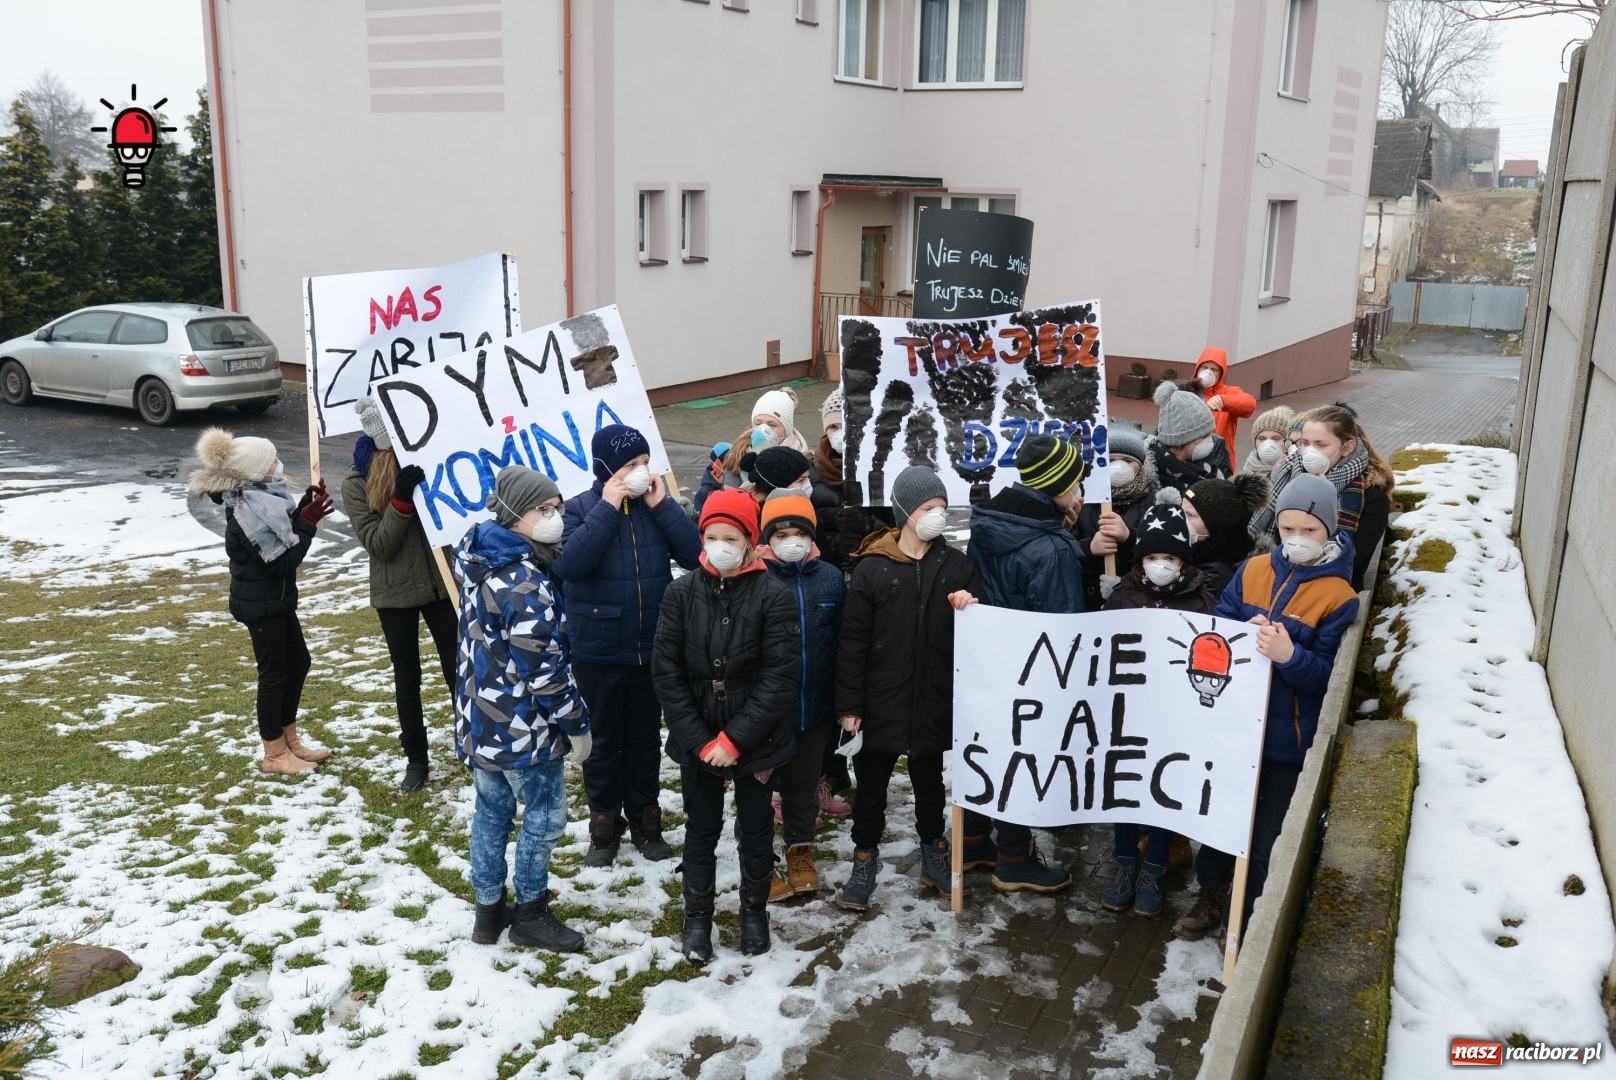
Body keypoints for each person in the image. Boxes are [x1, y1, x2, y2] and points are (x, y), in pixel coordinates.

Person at [1176, 474, 1359, 944]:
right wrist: (1242, 628)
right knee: (1219, 823)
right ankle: (1212, 895)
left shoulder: (1340, 598)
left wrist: (1289, 656)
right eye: (1288, 529)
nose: (1296, 540)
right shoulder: (1254, 569)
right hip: (1237, 729)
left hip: (1286, 743)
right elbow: (1221, 622)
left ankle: (1249, 917)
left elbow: (1326, 678)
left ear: (1331, 530)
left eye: (1309, 531)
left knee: (1265, 842)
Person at [653, 489, 800, 962]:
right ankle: (697, 916)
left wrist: (736, 739)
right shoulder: (681, 593)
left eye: (730, 537)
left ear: (749, 541)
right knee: (701, 828)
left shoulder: (773, 595)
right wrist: (699, 741)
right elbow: (667, 673)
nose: (720, 545)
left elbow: (780, 678)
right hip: (698, 738)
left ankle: (754, 911)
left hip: (755, 741)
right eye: (711, 536)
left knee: (755, 828)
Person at [453, 466, 591, 952]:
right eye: (543, 510)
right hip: (520, 726)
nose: (555, 517)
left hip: (482, 719)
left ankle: (488, 912)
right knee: (545, 816)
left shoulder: (480, 558)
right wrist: (575, 722)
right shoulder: (520, 581)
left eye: (557, 507)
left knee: (491, 812)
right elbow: (544, 668)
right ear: (515, 514)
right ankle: (530, 910)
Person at [553, 424, 702, 868]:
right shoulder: (580, 508)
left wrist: (663, 507)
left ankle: (646, 818)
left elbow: (697, 556)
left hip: (652, 644)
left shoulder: (656, 506)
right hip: (598, 646)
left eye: (644, 464)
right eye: (629, 466)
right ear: (605, 470)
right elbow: (570, 565)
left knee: (643, 737)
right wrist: (607, 507)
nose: (639, 473)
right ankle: (603, 824)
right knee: (602, 739)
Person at [835, 466, 983, 911]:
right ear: (905, 513)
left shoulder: (956, 566)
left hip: (932, 696)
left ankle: (934, 852)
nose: (937, 515)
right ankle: (864, 859)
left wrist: (970, 609)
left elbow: (977, 638)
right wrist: (849, 704)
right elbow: (852, 642)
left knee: (929, 781)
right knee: (873, 786)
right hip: (881, 700)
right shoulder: (872, 570)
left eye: (942, 507)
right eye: (927, 509)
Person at [189, 429, 332, 775]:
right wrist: (309, 524)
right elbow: (283, 560)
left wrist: (302, 511)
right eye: (271, 460)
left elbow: (283, 534)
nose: (278, 464)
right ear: (256, 470)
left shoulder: (263, 497)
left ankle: (289, 740)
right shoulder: (247, 512)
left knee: (297, 663)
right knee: (274, 674)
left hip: (277, 599)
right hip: (260, 603)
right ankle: (274, 753)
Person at [1101, 493, 1215, 917]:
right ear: (1140, 558)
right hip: (1129, 713)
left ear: (1183, 561)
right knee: (1127, 790)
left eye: (1171, 556)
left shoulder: (1202, 599)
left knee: (1166, 791)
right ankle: (1125, 864)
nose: (1161, 564)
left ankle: (1154, 867)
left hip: (1176, 719)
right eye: (1153, 555)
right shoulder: (1123, 595)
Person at [340, 397, 457, 793]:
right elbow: (379, 544)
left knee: (461, 670)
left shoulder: (426, 463)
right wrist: (402, 501)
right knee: (408, 679)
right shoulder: (355, 483)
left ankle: (476, 745)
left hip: (441, 584)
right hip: (395, 593)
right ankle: (417, 761)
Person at [755, 490, 846, 902]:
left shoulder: (829, 577)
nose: (791, 540)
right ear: (767, 538)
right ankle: (760, 862)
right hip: (767, 711)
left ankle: (800, 852)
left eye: (799, 533)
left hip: (817, 705)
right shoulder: (755, 575)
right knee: (758, 788)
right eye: (781, 533)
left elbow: (844, 637)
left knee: (803, 786)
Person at [1247, 404, 1393, 590]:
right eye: (1305, 443)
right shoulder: (1287, 473)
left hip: (1331, 590)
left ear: (1347, 447)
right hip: (1273, 580)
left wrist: (1321, 497)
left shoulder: (1371, 495)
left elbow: (1354, 560)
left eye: (1321, 445)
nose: (1309, 452)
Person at [1075, 418, 1158, 611]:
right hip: (1087, 603)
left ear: (1140, 464)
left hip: (1133, 602)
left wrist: (1129, 539)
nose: (1119, 467)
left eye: (1128, 461)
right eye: (1111, 460)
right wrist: (1089, 550)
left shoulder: (1154, 500)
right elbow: (1066, 547)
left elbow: (1159, 552)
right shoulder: (1083, 499)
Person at [807, 388, 889, 571]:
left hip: (876, 568)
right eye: (833, 427)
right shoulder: (809, 470)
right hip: (827, 569)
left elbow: (899, 527)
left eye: (847, 425)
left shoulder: (883, 468)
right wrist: (833, 546)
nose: (839, 434)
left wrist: (867, 525)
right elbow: (805, 526)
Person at [1181, 473, 1271, 598]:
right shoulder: (1199, 553)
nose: (1180, 519)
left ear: (1217, 523)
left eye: (1190, 515)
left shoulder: (1216, 574)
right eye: (1181, 511)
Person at [1149, 381, 1233, 494]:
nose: (1210, 440)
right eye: (1204, 436)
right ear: (1182, 440)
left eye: (1210, 433)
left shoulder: (1210, 467)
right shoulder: (1152, 477)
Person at [1190, 347, 1256, 449]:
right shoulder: (1187, 392)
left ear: (1221, 373)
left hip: (1220, 459)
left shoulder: (1229, 392)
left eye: (1214, 369)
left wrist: (1223, 401)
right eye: (1204, 367)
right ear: (1198, 368)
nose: (1208, 372)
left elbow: (1250, 404)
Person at [743, 445, 813, 504]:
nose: (808, 484)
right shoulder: (760, 516)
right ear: (775, 486)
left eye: (808, 477)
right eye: (801, 480)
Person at [751, 387, 810, 452]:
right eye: (758, 424)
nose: (763, 430)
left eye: (772, 425)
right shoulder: (741, 451)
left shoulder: (799, 458)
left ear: (787, 430)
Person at [1242, 405, 1297, 476]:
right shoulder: (1248, 469)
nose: (1268, 444)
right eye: (1262, 439)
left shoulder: (1297, 469)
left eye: (1276, 439)